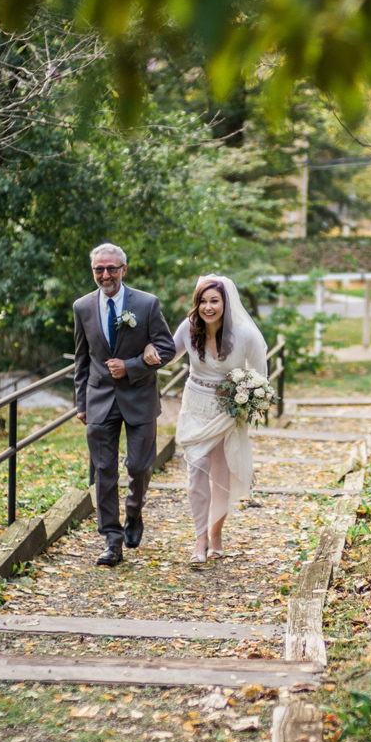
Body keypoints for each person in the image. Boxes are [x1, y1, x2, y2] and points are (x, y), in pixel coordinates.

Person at [72, 243, 175, 567]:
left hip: (140, 397)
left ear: (123, 269)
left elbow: (166, 348)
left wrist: (131, 366)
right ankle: (111, 540)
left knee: (139, 467)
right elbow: (81, 359)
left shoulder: (146, 304)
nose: (105, 275)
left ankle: (133, 512)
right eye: (99, 269)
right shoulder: (82, 307)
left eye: (111, 268)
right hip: (99, 398)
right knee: (103, 472)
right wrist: (81, 403)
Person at [169, 275, 269, 563]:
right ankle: (200, 538)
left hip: (227, 410)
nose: (208, 307)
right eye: (203, 300)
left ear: (226, 303)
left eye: (214, 300)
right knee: (196, 467)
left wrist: (245, 398)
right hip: (195, 406)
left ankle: (216, 533)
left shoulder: (245, 335)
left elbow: (260, 376)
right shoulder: (188, 329)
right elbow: (167, 355)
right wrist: (145, 352)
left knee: (220, 474)